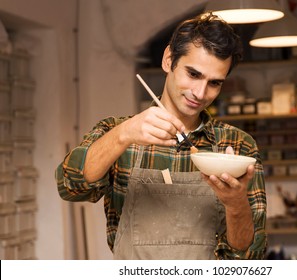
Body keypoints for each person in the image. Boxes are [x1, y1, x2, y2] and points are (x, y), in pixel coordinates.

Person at [55, 12, 267, 260]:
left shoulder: (238, 146)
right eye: (193, 74)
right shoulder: (116, 132)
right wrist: (123, 135)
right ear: (169, 60)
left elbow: (251, 256)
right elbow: (70, 186)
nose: (200, 93)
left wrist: (235, 203)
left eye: (214, 83)